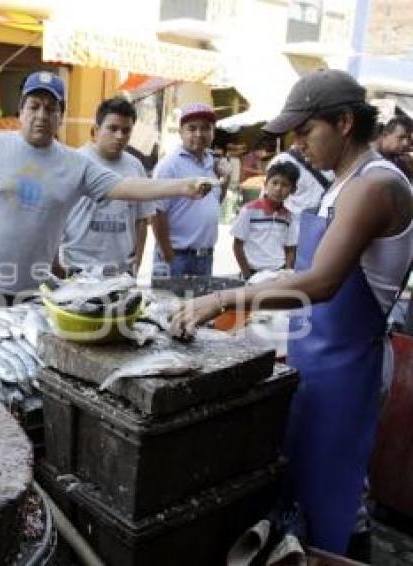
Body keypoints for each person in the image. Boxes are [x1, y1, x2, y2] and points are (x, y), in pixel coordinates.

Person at [170, 69, 413, 556]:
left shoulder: (375, 186)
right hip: (319, 356)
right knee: (307, 485)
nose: (299, 146)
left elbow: (322, 283)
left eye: (306, 131)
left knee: (336, 495)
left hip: (350, 365)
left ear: (344, 122)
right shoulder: (340, 184)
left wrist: (222, 299)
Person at [0, 71, 214, 311]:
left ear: (60, 116)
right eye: (34, 106)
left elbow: (127, 186)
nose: (41, 115)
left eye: (50, 109)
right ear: (21, 110)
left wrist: (182, 186)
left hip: (34, 294)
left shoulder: (75, 163)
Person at [58, 96, 154, 277]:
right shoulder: (74, 163)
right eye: (113, 129)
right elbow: (55, 216)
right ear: (95, 131)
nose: (119, 136)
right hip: (79, 269)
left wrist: (137, 262)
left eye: (126, 131)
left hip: (121, 272)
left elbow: (142, 220)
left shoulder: (136, 167)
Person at [151, 103, 232, 277]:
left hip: (205, 258)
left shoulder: (213, 162)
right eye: (192, 128)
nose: (199, 134)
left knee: (201, 305)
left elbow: (215, 202)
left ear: (213, 132)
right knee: (172, 304)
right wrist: (167, 254)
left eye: (205, 128)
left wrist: (226, 180)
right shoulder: (169, 165)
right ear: (181, 132)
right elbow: (156, 212)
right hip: (177, 257)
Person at [231, 161, 300, 278]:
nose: (278, 189)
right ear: (265, 184)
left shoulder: (290, 217)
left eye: (285, 185)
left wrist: (288, 271)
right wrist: (246, 274)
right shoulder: (249, 211)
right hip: (253, 272)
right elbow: (237, 245)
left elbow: (290, 249)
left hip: (279, 273)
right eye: (274, 183)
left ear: (292, 190)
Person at [267, 143, 334, 221]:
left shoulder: (329, 160)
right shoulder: (281, 160)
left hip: (325, 217)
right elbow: (269, 195)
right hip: (296, 219)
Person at [374, 115, 413, 180]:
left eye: (408, 138)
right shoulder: (369, 155)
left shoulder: (399, 159)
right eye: (401, 137)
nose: (405, 143)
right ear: (385, 135)